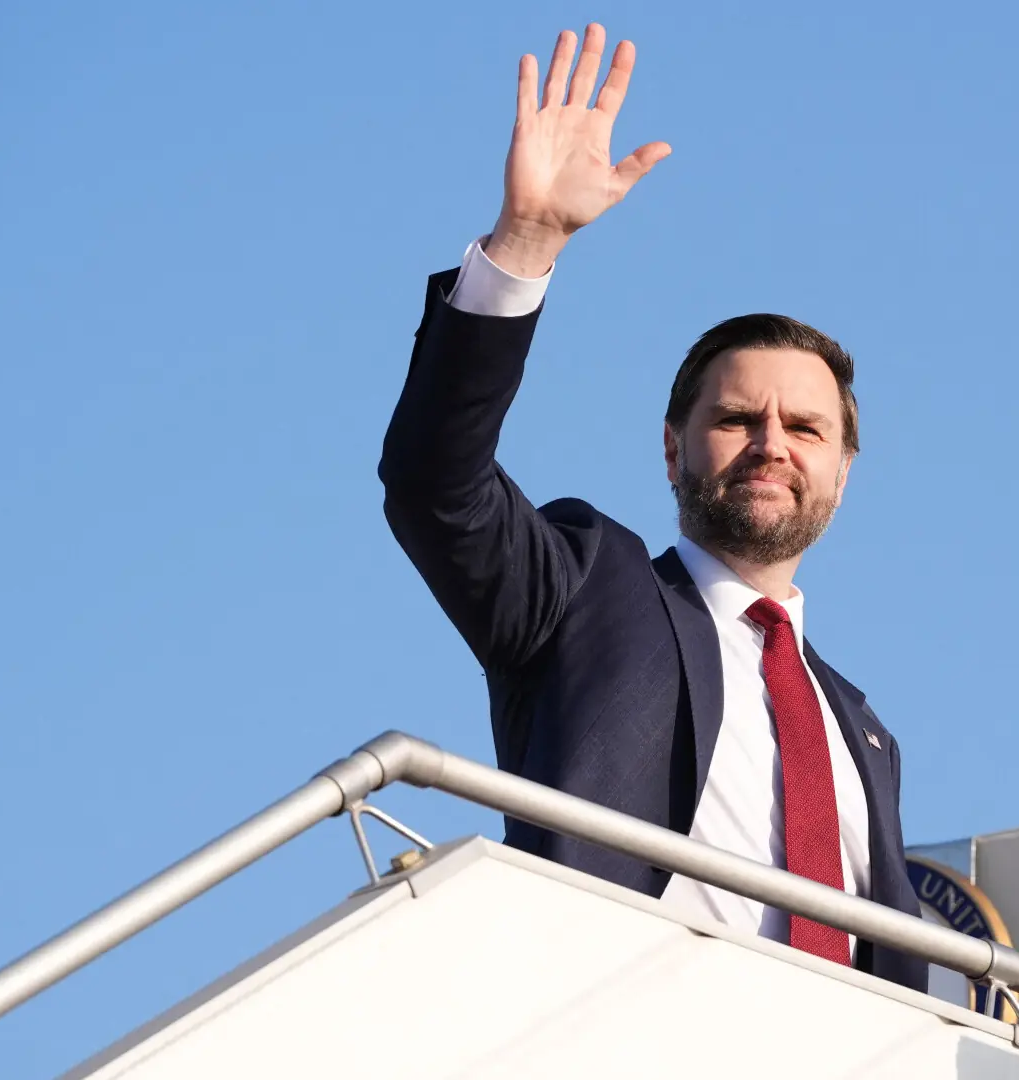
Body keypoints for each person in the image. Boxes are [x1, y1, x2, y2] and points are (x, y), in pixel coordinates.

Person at [379, 23, 926, 993]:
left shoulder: (865, 735)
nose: (770, 442)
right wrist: (527, 243)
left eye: (804, 428)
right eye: (736, 418)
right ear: (672, 448)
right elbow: (436, 485)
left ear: (844, 470)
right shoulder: (591, 589)